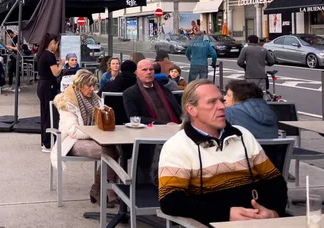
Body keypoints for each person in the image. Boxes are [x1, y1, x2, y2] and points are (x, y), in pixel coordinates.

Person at [158, 80, 287, 225]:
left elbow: (275, 181)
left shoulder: (243, 135)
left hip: (259, 221)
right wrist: (226, 213)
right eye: (212, 102)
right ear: (191, 109)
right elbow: (170, 201)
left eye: (221, 100)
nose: (221, 106)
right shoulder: (177, 146)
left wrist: (273, 212)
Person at [52, 70, 119, 207]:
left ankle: (98, 188)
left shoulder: (95, 99)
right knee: (109, 151)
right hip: (71, 141)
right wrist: (96, 134)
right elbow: (73, 131)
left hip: (94, 138)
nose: (92, 89)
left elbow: (101, 121)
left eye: (94, 85)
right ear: (80, 85)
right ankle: (107, 190)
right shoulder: (67, 101)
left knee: (116, 148)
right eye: (89, 86)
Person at [123, 60, 181, 125]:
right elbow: (134, 118)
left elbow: (178, 111)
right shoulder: (130, 93)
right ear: (137, 73)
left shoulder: (165, 90)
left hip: (175, 127)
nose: (148, 72)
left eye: (151, 69)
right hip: (150, 130)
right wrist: (165, 124)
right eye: (144, 70)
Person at [36, 33, 65, 152]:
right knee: (50, 114)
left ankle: (44, 141)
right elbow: (56, 73)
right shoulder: (49, 55)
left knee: (45, 113)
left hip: (42, 84)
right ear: (52, 43)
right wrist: (61, 65)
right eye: (57, 44)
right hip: (49, 85)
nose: (57, 46)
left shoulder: (42, 54)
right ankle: (47, 143)